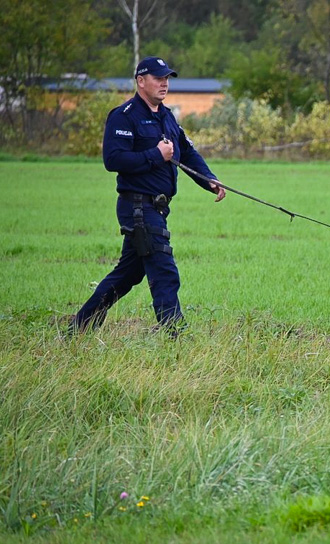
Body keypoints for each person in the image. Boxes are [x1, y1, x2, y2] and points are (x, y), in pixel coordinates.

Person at [70, 56, 226, 335]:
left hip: (156, 208)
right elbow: (113, 159)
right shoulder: (124, 115)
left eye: (167, 78)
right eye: (158, 78)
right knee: (164, 271)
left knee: (127, 275)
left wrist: (209, 181)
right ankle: (176, 335)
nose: (164, 83)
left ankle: (79, 328)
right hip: (139, 207)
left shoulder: (166, 116)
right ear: (141, 81)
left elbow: (187, 152)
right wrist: (156, 155)